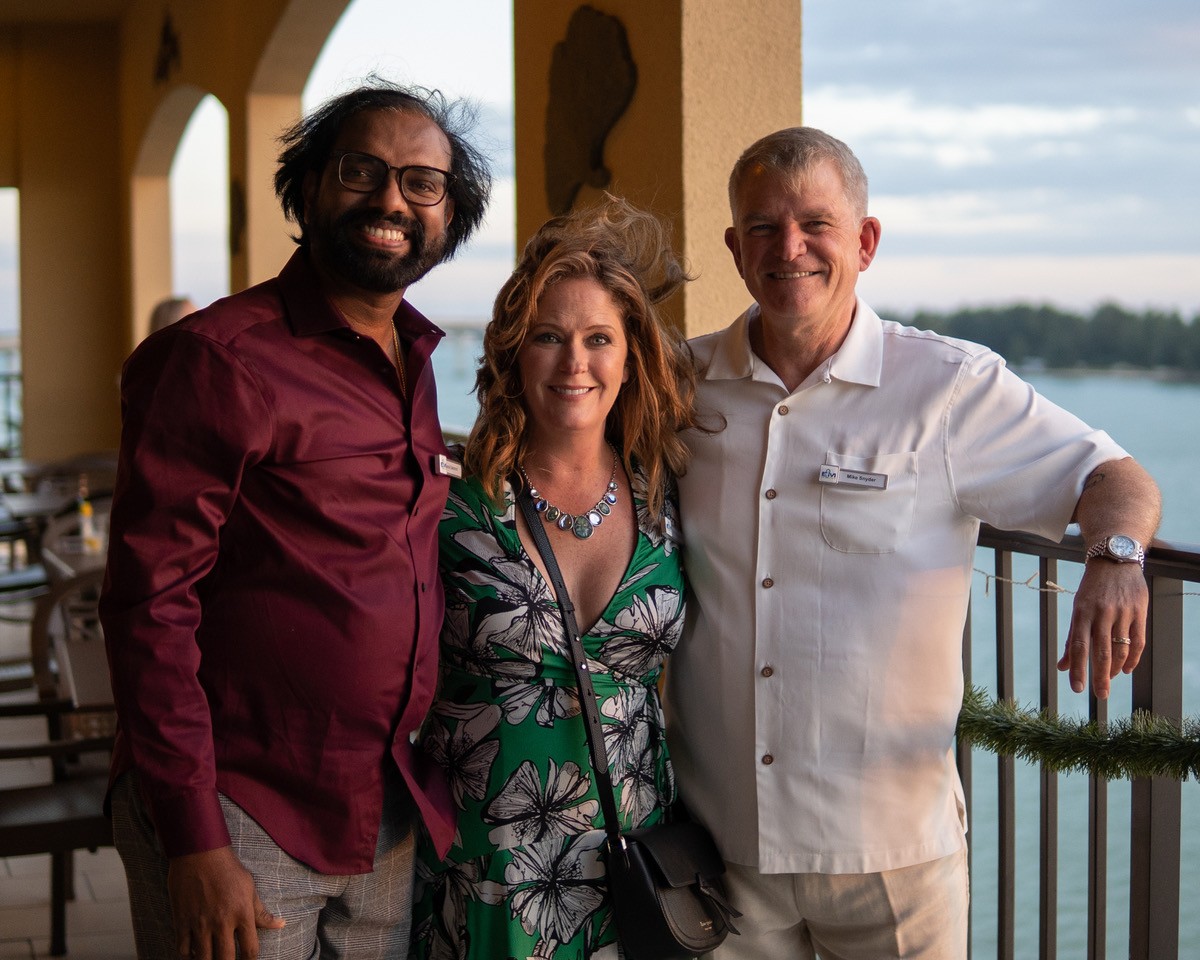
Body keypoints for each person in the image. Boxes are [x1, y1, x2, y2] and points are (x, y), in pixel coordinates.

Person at [664, 127, 1162, 960]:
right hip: (720, 850)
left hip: (893, 854)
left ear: (864, 242)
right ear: (734, 248)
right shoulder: (680, 382)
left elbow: (1114, 475)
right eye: (763, 227)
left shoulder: (948, 387)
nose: (790, 248)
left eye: (815, 223)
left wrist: (1114, 562)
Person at [100, 80, 492, 960]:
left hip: (383, 809)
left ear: (449, 215)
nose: (393, 199)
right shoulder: (216, 361)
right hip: (244, 806)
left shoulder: (414, 357)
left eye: (423, 183)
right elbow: (147, 607)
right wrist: (195, 836)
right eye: (363, 170)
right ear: (309, 186)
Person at [409, 197, 702, 960]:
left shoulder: (669, 493)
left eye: (599, 338)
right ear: (514, 354)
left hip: (637, 867)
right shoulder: (454, 506)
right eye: (550, 337)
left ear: (631, 355)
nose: (576, 363)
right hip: (492, 866)